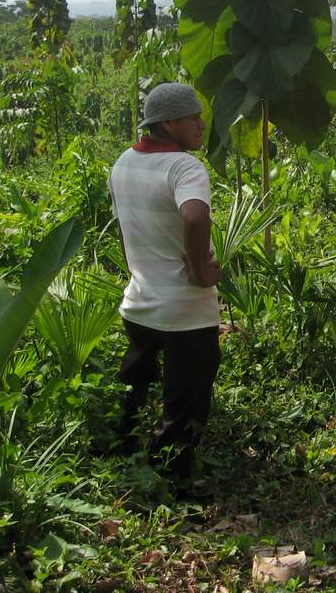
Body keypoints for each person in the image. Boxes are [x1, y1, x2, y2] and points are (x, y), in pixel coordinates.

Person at [108, 82, 223, 487]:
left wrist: (139, 270)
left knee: (135, 389)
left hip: (139, 306)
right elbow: (194, 217)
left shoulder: (123, 162)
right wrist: (197, 271)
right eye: (194, 117)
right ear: (170, 122)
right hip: (186, 314)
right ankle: (171, 484)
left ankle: (118, 459)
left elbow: (124, 230)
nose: (202, 125)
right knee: (184, 405)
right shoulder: (185, 167)